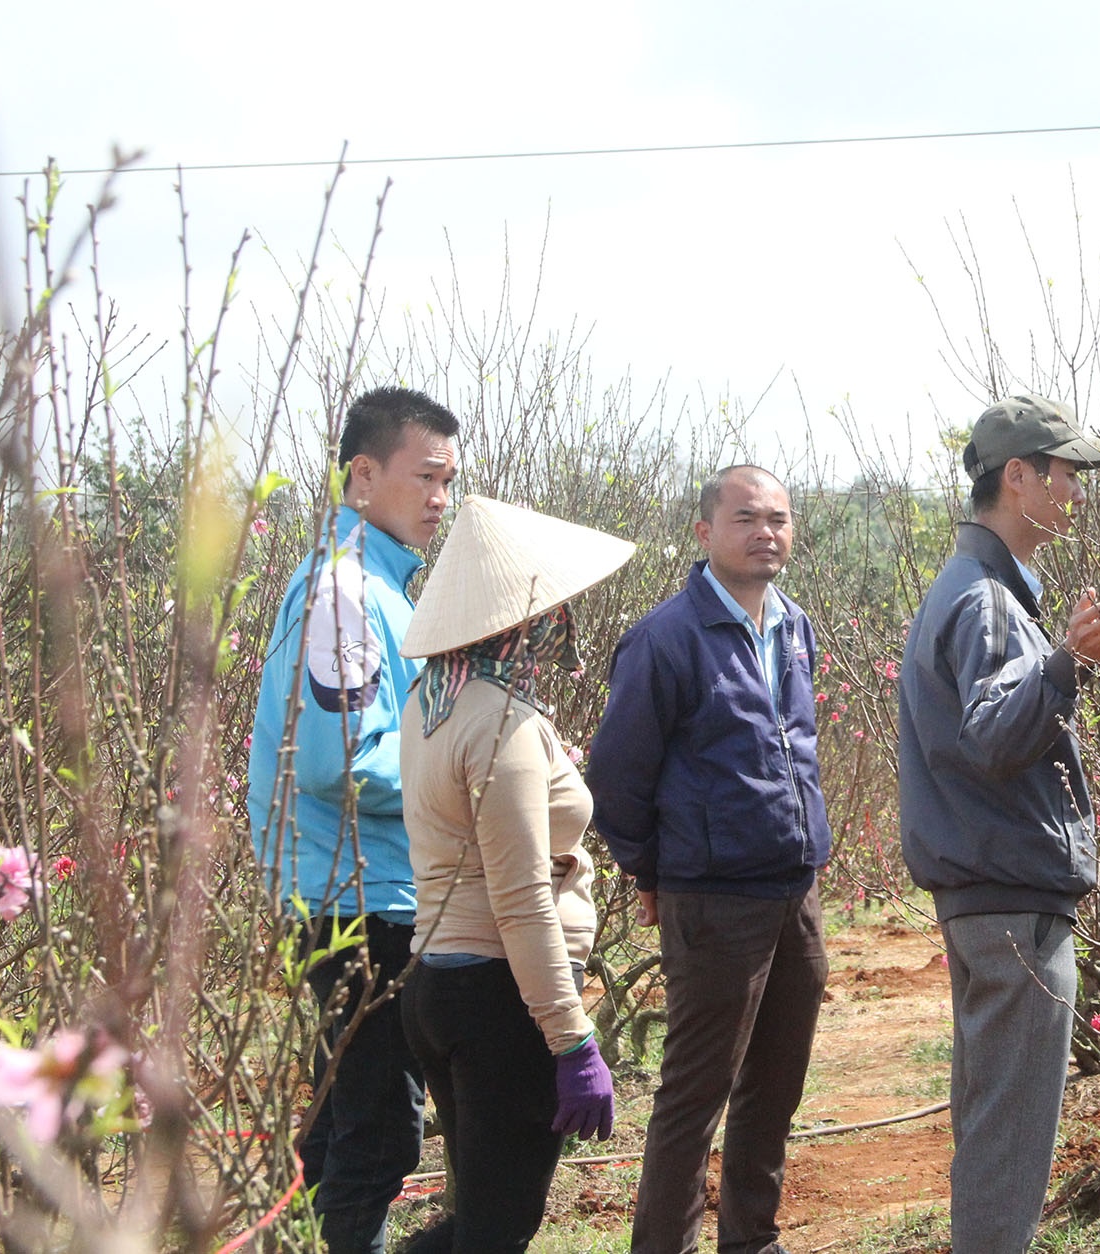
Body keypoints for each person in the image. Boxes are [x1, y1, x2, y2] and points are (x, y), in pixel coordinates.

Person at [895, 393, 1100, 1254]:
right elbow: (993, 735)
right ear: (1018, 477)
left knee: (989, 1126)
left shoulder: (977, 590)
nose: (1075, 491)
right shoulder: (990, 604)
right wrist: (1066, 663)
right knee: (1007, 1140)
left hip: (985, 900)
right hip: (1012, 907)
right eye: (1066, 474)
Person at [587, 465, 831, 1254]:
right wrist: (654, 871)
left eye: (780, 519)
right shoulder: (667, 639)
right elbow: (616, 777)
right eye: (747, 518)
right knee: (696, 1096)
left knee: (776, 1086)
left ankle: (751, 1240)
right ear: (704, 533)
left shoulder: (793, 626)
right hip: (713, 900)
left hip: (794, 890)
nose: (767, 533)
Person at [244, 386, 458, 1254]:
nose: (441, 498)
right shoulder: (345, 591)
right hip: (357, 895)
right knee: (380, 1133)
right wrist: (459, 786)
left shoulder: (381, 583)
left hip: (363, 883)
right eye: (427, 477)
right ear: (362, 476)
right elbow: (341, 757)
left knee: (343, 1123)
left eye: (451, 482)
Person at [397, 495, 635, 1252]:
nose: (564, 625)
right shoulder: (501, 724)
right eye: (553, 611)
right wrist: (571, 1041)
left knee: (478, 1220)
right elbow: (521, 897)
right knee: (498, 1230)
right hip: (502, 1002)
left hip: (442, 984)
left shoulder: (431, 701)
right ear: (524, 620)